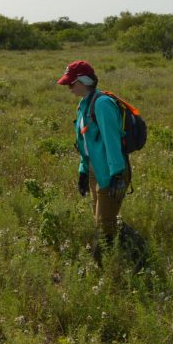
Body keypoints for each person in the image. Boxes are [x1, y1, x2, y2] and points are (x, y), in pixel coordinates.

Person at [57, 59, 145, 268]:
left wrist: (116, 176)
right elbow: (85, 143)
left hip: (111, 174)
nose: (69, 88)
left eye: (72, 83)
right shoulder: (83, 104)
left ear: (84, 81)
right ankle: (133, 253)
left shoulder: (102, 104)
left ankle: (105, 267)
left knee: (103, 227)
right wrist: (83, 171)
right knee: (104, 220)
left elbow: (111, 142)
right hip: (96, 171)